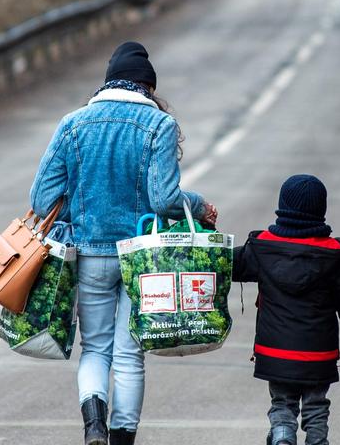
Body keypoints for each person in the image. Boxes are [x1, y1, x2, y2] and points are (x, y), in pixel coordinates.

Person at [30, 41, 218, 445]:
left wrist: (78, 217)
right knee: (131, 354)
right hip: (142, 259)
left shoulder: (72, 124)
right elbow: (165, 200)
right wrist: (199, 207)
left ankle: (93, 426)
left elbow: (42, 201)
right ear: (148, 87)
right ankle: (121, 440)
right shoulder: (160, 127)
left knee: (95, 350)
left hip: (90, 255)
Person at [233, 174, 340, 445]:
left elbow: (226, 265)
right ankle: (316, 440)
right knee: (316, 406)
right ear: (320, 210)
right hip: (318, 354)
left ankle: (282, 436)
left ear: (282, 207)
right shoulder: (334, 253)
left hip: (274, 351)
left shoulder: (262, 247)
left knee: (282, 403)